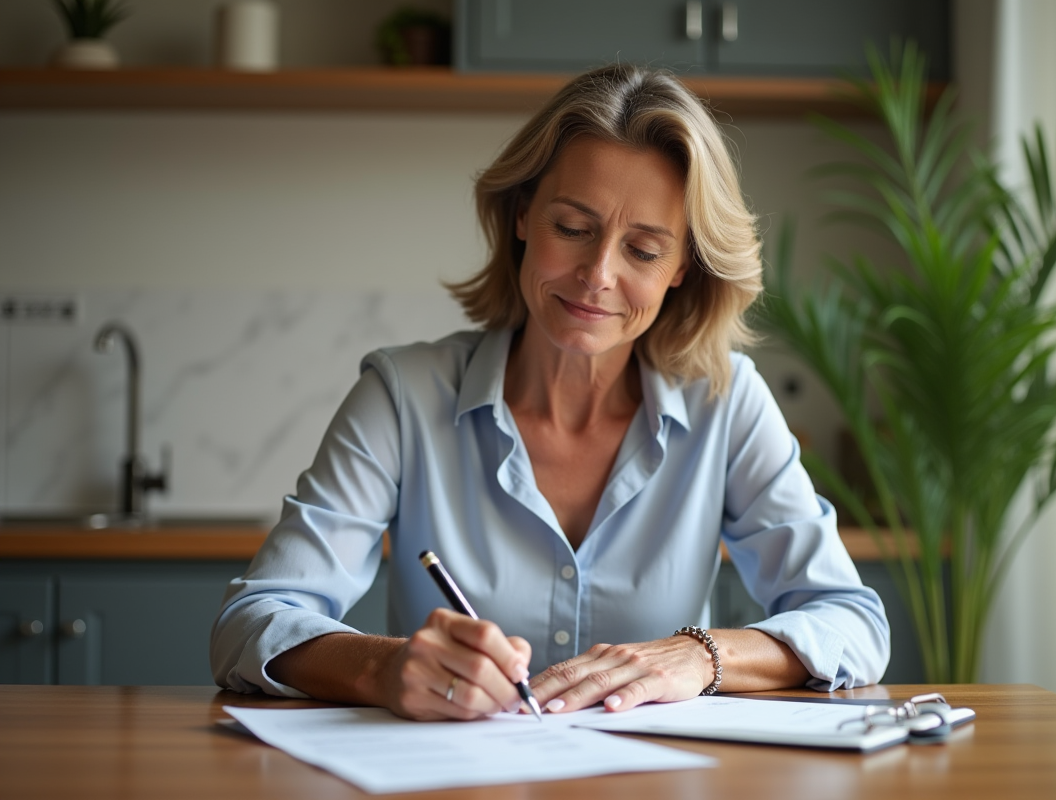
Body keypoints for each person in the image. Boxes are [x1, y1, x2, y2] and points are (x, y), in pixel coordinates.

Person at [210, 63, 889, 721]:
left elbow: (852, 623)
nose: (597, 275)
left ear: (682, 267)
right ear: (523, 215)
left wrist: (699, 657)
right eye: (573, 228)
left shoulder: (727, 403)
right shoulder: (403, 396)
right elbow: (251, 622)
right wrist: (383, 667)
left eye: (644, 251)